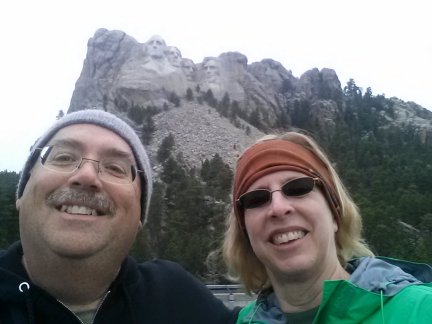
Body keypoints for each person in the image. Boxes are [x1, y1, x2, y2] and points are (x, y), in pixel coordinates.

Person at [0, 109, 238, 324]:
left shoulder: (179, 296)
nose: (86, 176)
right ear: (21, 192)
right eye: (63, 158)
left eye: (115, 168)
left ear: (139, 217)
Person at [223, 131, 432, 323]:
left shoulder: (421, 310)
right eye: (256, 199)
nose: (278, 208)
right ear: (246, 234)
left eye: (298, 188)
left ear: (334, 212)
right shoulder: (245, 321)